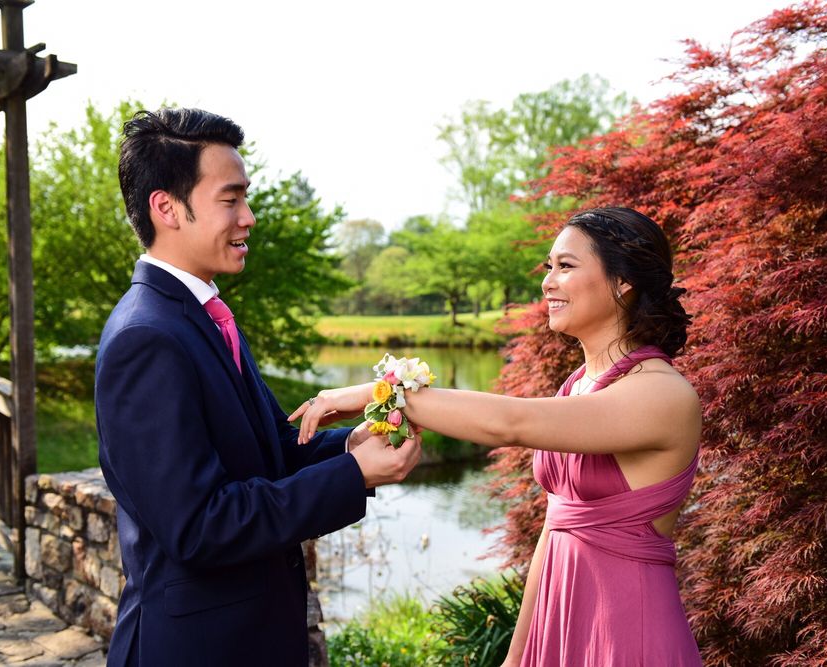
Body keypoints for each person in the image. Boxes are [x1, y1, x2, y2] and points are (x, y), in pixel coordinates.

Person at [292, 207, 703, 665]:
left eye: (565, 266)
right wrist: (517, 654)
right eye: (548, 266)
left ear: (623, 281)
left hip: (628, 630)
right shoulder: (578, 385)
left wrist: (379, 393)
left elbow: (511, 423)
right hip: (560, 623)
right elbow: (556, 527)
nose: (547, 282)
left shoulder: (662, 393)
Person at [95, 107, 422, 666]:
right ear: (166, 208)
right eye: (231, 200)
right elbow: (199, 526)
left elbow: (269, 453)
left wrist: (349, 446)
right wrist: (353, 475)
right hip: (199, 650)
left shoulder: (201, 314)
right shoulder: (145, 338)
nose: (248, 218)